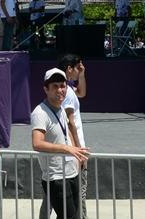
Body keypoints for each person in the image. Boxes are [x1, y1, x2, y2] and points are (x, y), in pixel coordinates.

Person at [32, 68, 88, 219]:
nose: (60, 90)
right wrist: (66, 148)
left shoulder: (61, 109)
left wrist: (77, 153)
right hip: (55, 176)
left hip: (71, 171)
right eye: (55, 86)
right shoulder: (40, 113)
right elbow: (37, 144)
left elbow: (67, 131)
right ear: (46, 89)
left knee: (73, 215)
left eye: (62, 86)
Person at [59, 54, 88, 219]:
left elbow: (82, 93)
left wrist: (82, 75)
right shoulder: (67, 92)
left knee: (53, 197)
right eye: (78, 68)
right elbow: (71, 123)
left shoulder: (66, 89)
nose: (80, 70)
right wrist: (80, 151)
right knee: (79, 193)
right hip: (75, 150)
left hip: (71, 149)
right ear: (69, 69)